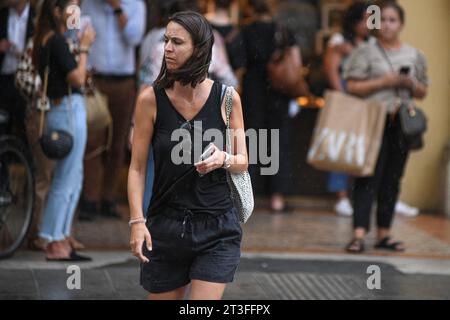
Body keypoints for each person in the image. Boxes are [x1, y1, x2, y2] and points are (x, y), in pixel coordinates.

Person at [128, 11, 248, 299]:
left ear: (199, 49)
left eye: (177, 42)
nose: (167, 48)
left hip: (217, 227)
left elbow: (243, 160)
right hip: (166, 227)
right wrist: (136, 221)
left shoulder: (227, 99)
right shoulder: (150, 99)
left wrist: (224, 159)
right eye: (166, 40)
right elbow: (137, 168)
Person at [343, 1, 428, 253]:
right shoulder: (365, 52)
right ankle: (358, 234)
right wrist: (385, 81)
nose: (388, 25)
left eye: (393, 20)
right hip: (372, 121)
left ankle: (384, 234)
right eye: (384, 20)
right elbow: (352, 86)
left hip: (401, 124)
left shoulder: (414, 55)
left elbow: (423, 90)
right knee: (366, 176)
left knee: (392, 179)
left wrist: (410, 83)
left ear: (401, 24)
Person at [32, 0, 95, 261]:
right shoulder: (56, 41)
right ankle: (55, 240)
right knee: (67, 176)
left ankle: (60, 237)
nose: (75, 12)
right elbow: (78, 78)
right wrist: (84, 48)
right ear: (57, 11)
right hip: (67, 110)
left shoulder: (45, 39)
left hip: (61, 109)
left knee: (72, 175)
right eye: (71, 6)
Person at [79, 0, 146, 220]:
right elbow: (73, 32)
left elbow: (134, 38)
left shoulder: (136, 5)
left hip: (123, 82)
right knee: (93, 142)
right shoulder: (88, 5)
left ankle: (108, 198)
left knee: (118, 144)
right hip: (94, 81)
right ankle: (90, 199)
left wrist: (118, 8)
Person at [240, 0, 307, 213]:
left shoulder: (245, 31)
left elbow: (239, 64)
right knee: (279, 143)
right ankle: (277, 198)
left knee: (251, 142)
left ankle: (245, 196)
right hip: (278, 91)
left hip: (253, 91)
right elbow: (295, 64)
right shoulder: (283, 31)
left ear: (250, 7)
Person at [323, 2, 370, 217]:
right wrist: (343, 96)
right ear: (354, 20)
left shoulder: (372, 42)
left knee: (363, 147)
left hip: (367, 101)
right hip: (346, 100)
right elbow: (331, 69)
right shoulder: (339, 40)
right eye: (364, 18)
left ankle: (365, 194)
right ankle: (341, 196)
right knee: (340, 145)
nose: (368, 24)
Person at [0, 0, 34, 139]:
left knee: (25, 126)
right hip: (4, 78)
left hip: (27, 80)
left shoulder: (36, 16)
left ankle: (22, 158)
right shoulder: (2, 15)